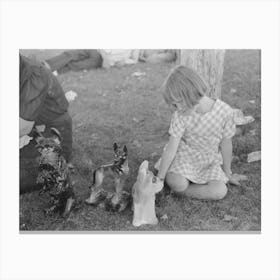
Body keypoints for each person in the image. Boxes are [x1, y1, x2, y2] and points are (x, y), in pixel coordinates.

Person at [156, 65, 240, 200]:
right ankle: (180, 186)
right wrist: (160, 178)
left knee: (219, 191)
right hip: (185, 156)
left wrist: (227, 172)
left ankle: (183, 191)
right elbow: (172, 147)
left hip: (209, 160)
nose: (176, 108)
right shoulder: (180, 114)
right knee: (176, 181)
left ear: (189, 94)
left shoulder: (225, 112)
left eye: (177, 103)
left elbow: (226, 145)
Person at [20, 54, 73, 193]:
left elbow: (22, 127)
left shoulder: (34, 73)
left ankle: (58, 173)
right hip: (31, 132)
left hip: (51, 135)